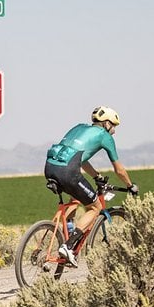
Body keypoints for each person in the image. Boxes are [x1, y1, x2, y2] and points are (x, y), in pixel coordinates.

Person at [44, 106, 138, 265]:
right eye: (113, 126)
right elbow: (119, 170)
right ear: (106, 124)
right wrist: (130, 185)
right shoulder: (104, 136)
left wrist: (96, 176)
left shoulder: (79, 127)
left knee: (74, 196)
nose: (114, 131)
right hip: (68, 171)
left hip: (50, 167)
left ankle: (67, 230)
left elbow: (81, 158)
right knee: (95, 207)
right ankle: (68, 246)